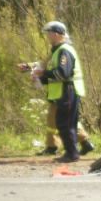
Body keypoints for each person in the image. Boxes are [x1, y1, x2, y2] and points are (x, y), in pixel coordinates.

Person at [32, 21, 87, 162]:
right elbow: (55, 74)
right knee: (65, 123)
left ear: (57, 34)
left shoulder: (64, 51)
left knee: (65, 124)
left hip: (68, 91)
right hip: (64, 91)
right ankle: (71, 152)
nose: (47, 36)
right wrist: (41, 77)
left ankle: (72, 154)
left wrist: (43, 73)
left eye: (49, 33)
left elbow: (63, 73)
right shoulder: (57, 51)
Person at [18, 60, 95, 156]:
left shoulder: (62, 53)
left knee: (64, 120)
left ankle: (66, 147)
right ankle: (58, 146)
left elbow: (58, 73)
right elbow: (45, 66)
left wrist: (40, 74)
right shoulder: (55, 54)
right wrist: (31, 69)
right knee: (55, 120)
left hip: (62, 93)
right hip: (58, 93)